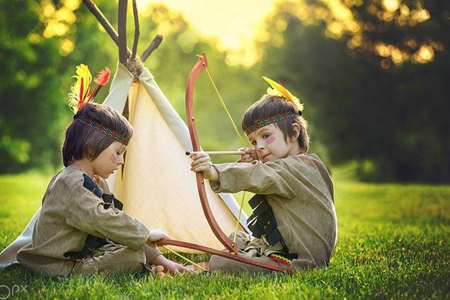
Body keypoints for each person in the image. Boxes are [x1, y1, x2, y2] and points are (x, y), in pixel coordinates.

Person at [17, 64, 189, 277]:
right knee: (132, 254)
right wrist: (145, 234)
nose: (121, 160)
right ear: (91, 147)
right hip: (59, 266)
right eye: (117, 152)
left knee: (132, 247)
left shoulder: (96, 181)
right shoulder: (70, 183)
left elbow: (113, 221)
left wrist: (159, 256)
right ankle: (145, 269)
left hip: (86, 253)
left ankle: (157, 266)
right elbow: (103, 220)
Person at [190, 77, 337, 273]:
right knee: (239, 238)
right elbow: (266, 174)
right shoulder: (305, 165)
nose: (259, 146)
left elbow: (261, 175)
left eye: (266, 136)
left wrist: (213, 171)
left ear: (294, 133)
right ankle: (245, 255)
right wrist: (252, 163)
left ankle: (198, 269)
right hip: (290, 251)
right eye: (253, 142)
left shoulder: (297, 169)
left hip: (300, 262)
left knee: (223, 261)